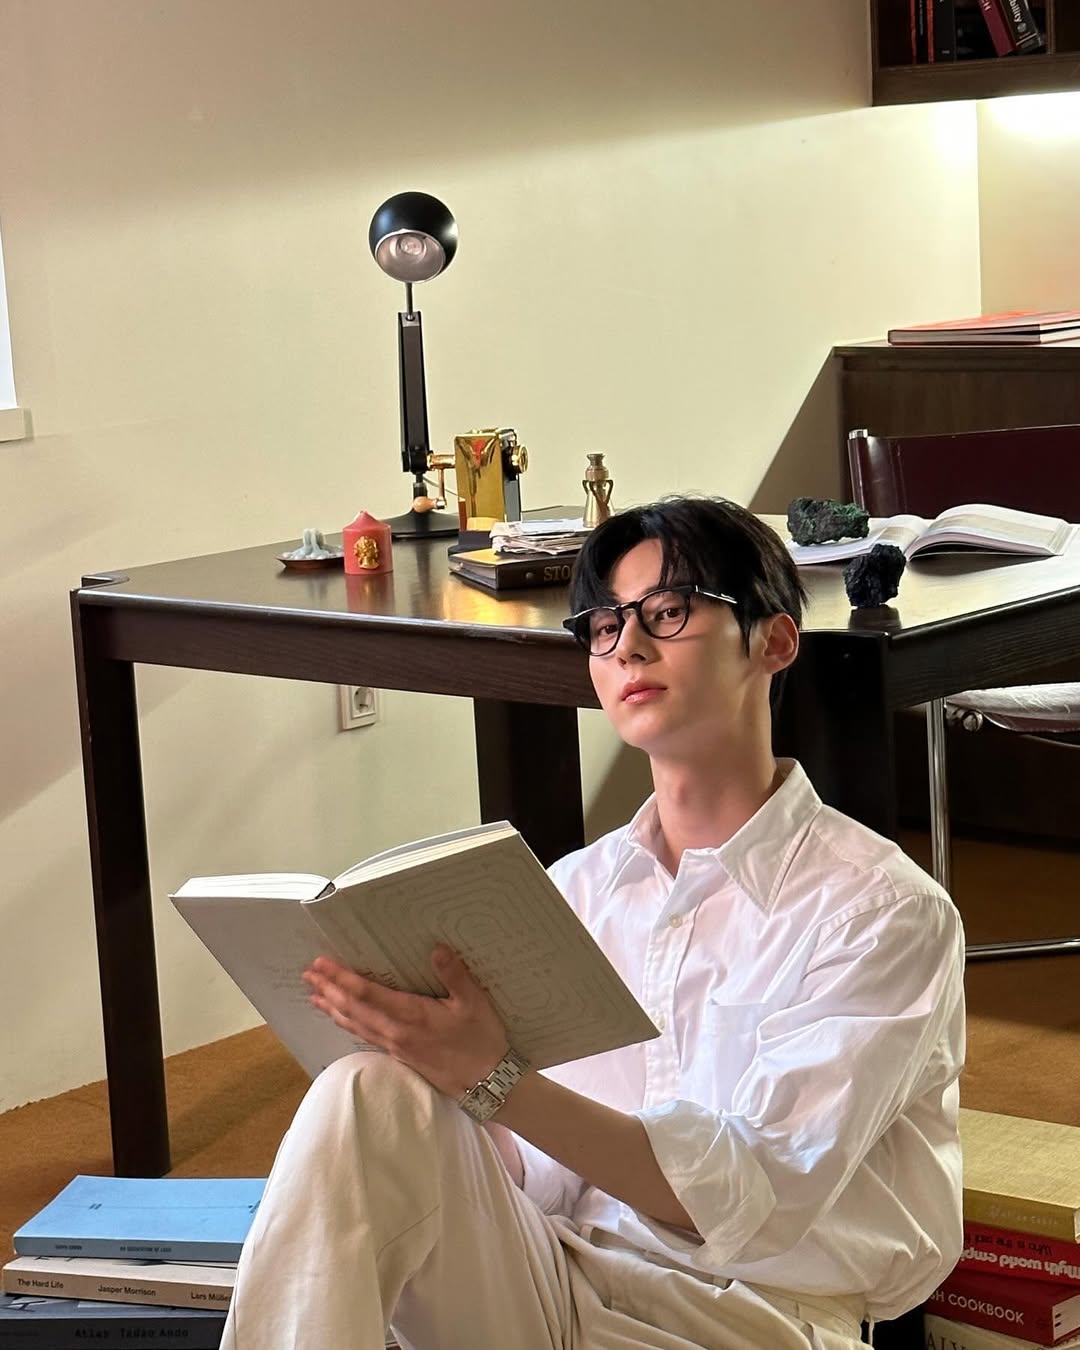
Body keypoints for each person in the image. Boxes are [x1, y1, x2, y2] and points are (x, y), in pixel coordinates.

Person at [220, 496, 965, 1350]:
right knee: (366, 1093)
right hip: (553, 1276)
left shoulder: (881, 912)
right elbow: (528, 1167)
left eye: (668, 612)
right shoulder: (572, 890)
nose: (629, 647)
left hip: (748, 1318)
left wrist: (494, 1077)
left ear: (774, 641)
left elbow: (749, 1199)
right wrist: (434, 1082)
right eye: (605, 627)